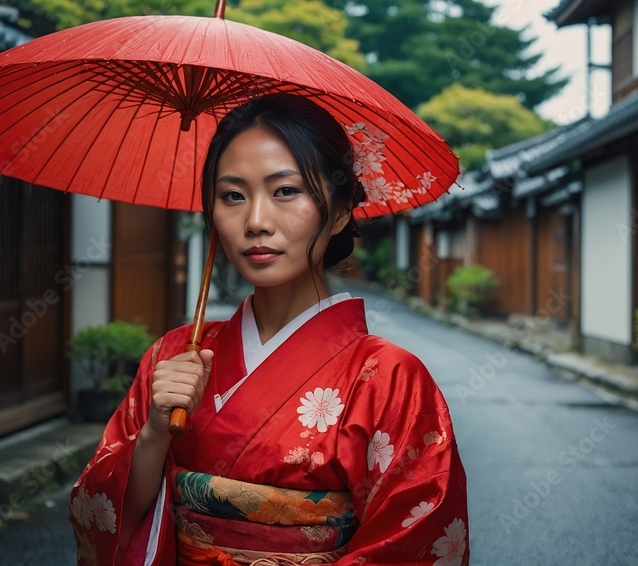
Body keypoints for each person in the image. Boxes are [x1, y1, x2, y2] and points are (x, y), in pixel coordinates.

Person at [70, 94, 469, 565]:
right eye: (232, 196)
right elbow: (104, 514)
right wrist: (155, 435)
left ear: (340, 210)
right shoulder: (175, 354)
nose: (256, 222)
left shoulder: (389, 378)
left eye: (286, 191)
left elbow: (413, 541)